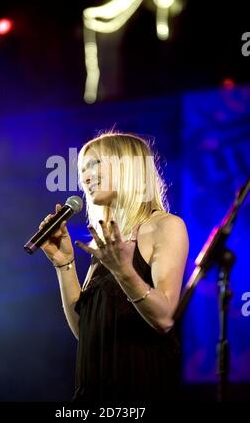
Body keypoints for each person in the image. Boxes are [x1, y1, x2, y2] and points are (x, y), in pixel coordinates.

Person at [39, 130, 189, 402]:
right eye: (82, 169)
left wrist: (124, 271)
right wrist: (65, 265)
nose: (85, 177)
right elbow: (84, 332)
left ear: (128, 167)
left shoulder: (165, 226)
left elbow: (165, 317)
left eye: (95, 164)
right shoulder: (105, 246)